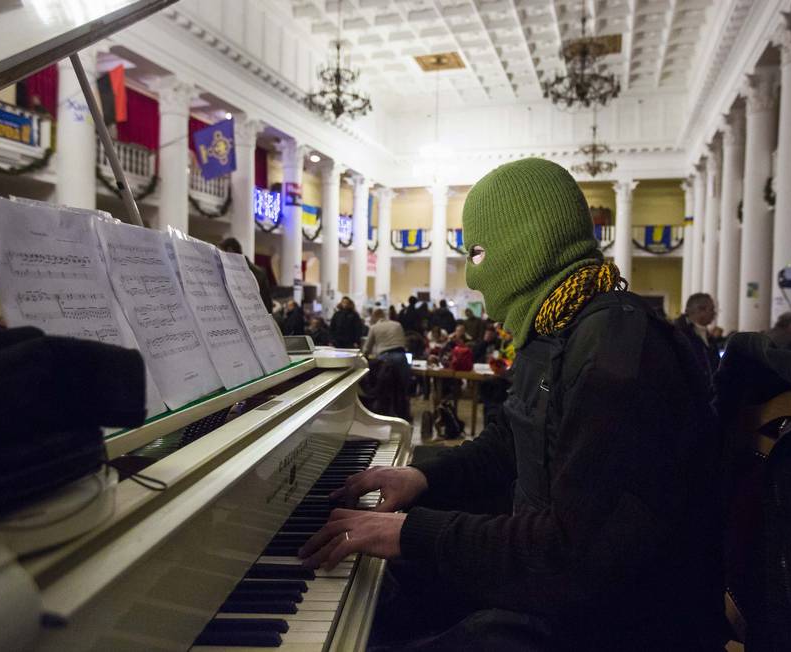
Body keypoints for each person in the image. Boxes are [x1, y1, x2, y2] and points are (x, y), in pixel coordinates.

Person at [298, 158, 721, 649]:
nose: (473, 278)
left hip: (612, 623)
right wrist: (423, 477)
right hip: (556, 585)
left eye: (477, 253)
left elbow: (577, 558)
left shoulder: (617, 354)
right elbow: (511, 441)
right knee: (387, 595)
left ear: (529, 243)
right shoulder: (560, 325)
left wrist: (411, 533)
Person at [363, 309, 412, 420]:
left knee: (386, 389)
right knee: (403, 388)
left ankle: (386, 415)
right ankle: (405, 414)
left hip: (384, 359)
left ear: (374, 318)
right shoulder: (397, 324)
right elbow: (403, 341)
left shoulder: (374, 328)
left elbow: (367, 348)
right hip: (401, 357)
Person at [672, 293, 720, 384]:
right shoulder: (680, 335)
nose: (714, 313)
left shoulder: (708, 336)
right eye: (712, 309)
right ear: (700, 310)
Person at [219, 237, 273, 309]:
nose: (219, 257)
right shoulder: (259, 272)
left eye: (221, 253)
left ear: (230, 250)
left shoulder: (240, 272)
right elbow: (269, 307)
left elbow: (267, 304)